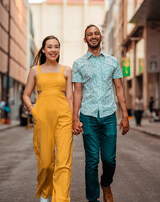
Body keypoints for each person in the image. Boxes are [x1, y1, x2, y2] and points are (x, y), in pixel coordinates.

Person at [72, 25, 129, 202]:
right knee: (91, 161)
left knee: (109, 159)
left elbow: (119, 88)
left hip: (108, 115)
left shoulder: (112, 61)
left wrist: (125, 115)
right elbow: (77, 92)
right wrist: (75, 118)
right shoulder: (78, 64)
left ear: (101, 37)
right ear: (85, 39)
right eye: (90, 34)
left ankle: (106, 183)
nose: (93, 36)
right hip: (87, 116)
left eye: (96, 33)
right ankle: (93, 198)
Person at [23, 35, 73, 202]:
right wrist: (33, 110)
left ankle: (61, 199)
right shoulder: (34, 70)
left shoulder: (67, 70)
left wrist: (74, 119)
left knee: (64, 162)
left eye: (56, 46)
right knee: (45, 162)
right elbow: (26, 95)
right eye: (50, 47)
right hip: (42, 116)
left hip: (64, 116)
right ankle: (45, 193)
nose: (53, 50)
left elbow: (70, 97)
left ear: (59, 49)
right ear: (43, 50)